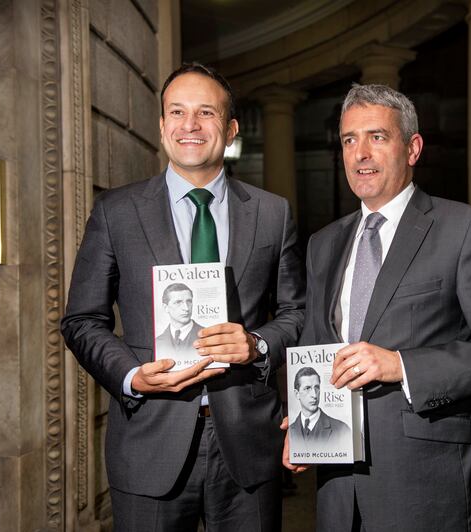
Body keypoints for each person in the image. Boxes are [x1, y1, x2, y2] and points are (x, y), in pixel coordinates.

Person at [61, 62, 304, 531]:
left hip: (248, 440)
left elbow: (297, 312)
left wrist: (257, 344)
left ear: (230, 129)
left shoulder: (273, 213)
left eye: (206, 113)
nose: (189, 125)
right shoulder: (116, 212)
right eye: (177, 111)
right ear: (161, 126)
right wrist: (131, 375)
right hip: (149, 436)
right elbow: (82, 320)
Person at [284, 84, 471, 531]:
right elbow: (316, 347)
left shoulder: (465, 229)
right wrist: (302, 427)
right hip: (338, 490)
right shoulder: (323, 244)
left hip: (429, 487)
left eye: (377, 137)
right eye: (349, 140)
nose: (360, 153)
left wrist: (401, 365)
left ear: (413, 147)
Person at [288, 367, 352, 449]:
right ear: (297, 394)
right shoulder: (290, 431)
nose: (314, 395)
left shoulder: (342, 430)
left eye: (317, 388)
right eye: (307, 388)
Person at [154, 283, 205, 360]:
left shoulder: (207, 336)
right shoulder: (157, 343)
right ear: (166, 307)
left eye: (189, 301)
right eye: (178, 302)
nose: (186, 308)